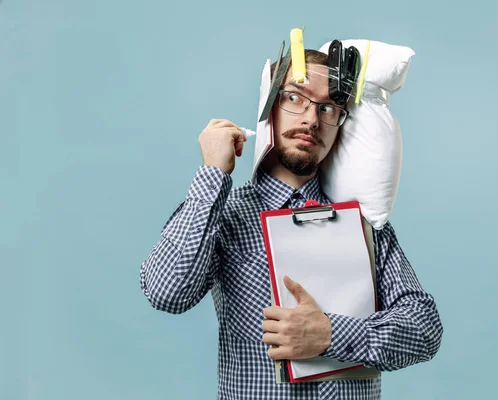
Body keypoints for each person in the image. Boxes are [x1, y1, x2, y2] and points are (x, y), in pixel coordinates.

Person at [140, 49, 443, 400]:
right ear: (269, 108)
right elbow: (167, 293)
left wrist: (331, 334)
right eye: (296, 98)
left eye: (328, 108)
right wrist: (213, 175)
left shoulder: (364, 224)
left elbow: (424, 328)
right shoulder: (226, 214)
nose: (312, 119)